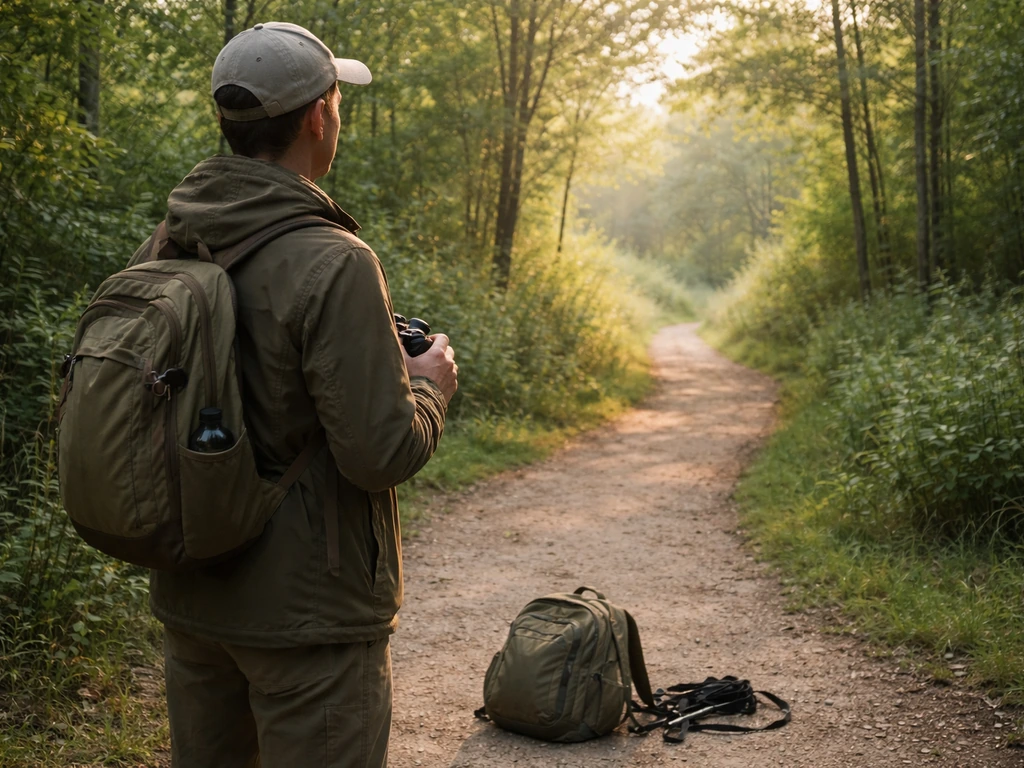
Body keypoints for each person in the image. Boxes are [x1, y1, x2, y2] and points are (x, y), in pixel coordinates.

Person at [128, 21, 457, 768]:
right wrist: (428, 388)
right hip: (310, 617)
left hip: (193, 595)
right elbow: (380, 452)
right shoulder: (334, 260)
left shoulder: (168, 240)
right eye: (337, 99)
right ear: (318, 115)